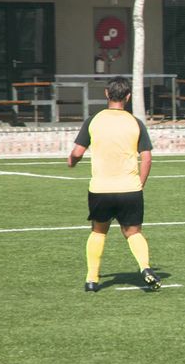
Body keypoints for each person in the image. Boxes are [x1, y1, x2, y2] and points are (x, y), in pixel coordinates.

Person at [67, 77, 160, 292]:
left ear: (107, 94)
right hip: (130, 188)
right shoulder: (135, 123)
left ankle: (92, 279)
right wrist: (140, 184)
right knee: (133, 232)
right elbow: (147, 158)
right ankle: (145, 267)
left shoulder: (94, 120)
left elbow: (77, 152)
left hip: (101, 189)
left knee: (99, 231)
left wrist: (72, 161)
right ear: (128, 97)